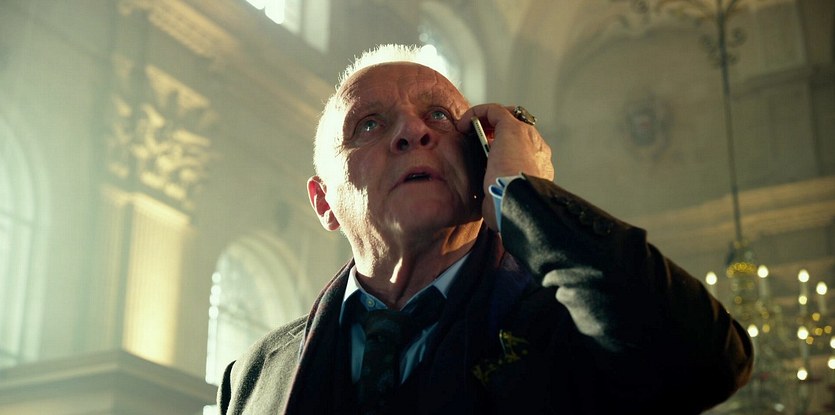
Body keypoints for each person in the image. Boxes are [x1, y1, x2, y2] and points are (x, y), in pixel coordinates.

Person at [217, 44, 753, 415]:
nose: (412, 132)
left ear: (480, 156)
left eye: (440, 117)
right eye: (369, 124)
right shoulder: (252, 376)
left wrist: (522, 194)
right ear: (324, 202)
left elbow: (706, 362)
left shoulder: (572, 325)